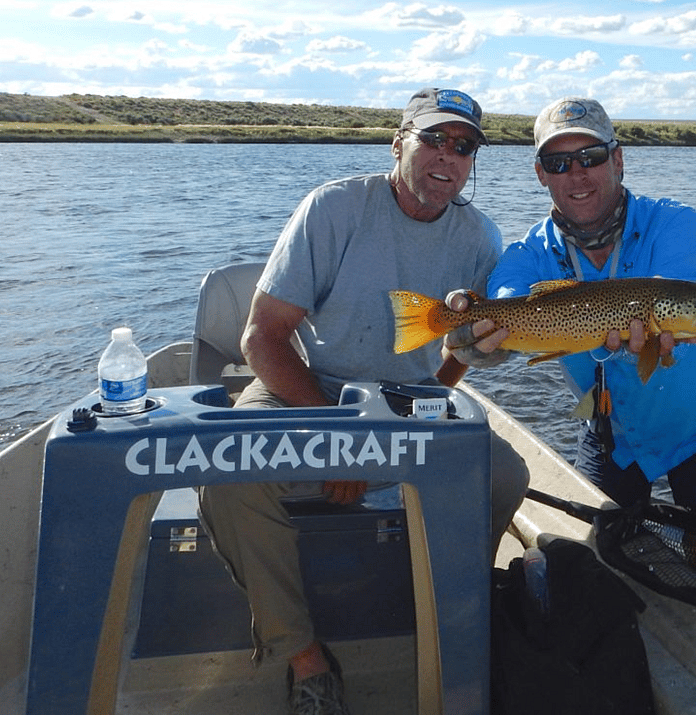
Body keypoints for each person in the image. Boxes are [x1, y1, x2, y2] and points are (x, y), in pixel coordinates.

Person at [198, 87, 528, 715]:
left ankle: (456, 608)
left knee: (504, 475)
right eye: (433, 138)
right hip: (306, 385)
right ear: (398, 142)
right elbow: (262, 338)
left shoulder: (481, 237)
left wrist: (436, 393)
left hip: (406, 400)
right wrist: (339, 440)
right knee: (229, 475)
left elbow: (468, 343)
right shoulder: (333, 208)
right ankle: (304, 656)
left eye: (464, 147)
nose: (448, 156)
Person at [487, 96, 696, 525]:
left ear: (618, 160)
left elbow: (672, 291)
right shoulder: (527, 253)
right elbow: (504, 299)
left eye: (590, 157)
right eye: (558, 163)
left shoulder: (674, 223)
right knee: (596, 564)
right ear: (540, 174)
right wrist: (477, 334)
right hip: (609, 433)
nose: (577, 174)